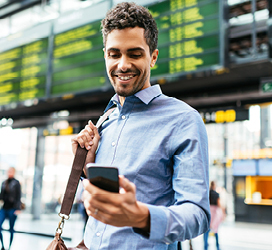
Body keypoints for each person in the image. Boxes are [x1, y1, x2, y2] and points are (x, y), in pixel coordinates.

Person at [71, 2, 210, 249]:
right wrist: (86, 167)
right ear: (105, 55)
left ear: (153, 57)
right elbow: (102, 209)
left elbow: (197, 215)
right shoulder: (106, 121)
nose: (123, 65)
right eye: (114, 54)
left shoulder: (183, 120)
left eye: (134, 54)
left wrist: (141, 217)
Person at [0, 167, 22, 250]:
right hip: (4, 208)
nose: (9, 173)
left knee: (11, 229)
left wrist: (18, 209)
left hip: (13, 208)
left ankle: (9, 247)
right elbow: (0, 196)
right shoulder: (4, 183)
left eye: (11, 171)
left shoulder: (16, 183)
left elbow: (19, 196)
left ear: (14, 172)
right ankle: (2, 245)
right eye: (8, 171)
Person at [203, 181, 224, 250]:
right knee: (215, 230)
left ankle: (205, 246)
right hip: (215, 212)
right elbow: (219, 204)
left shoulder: (207, 194)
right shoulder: (216, 194)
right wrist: (223, 213)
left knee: (207, 230)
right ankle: (217, 246)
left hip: (209, 211)